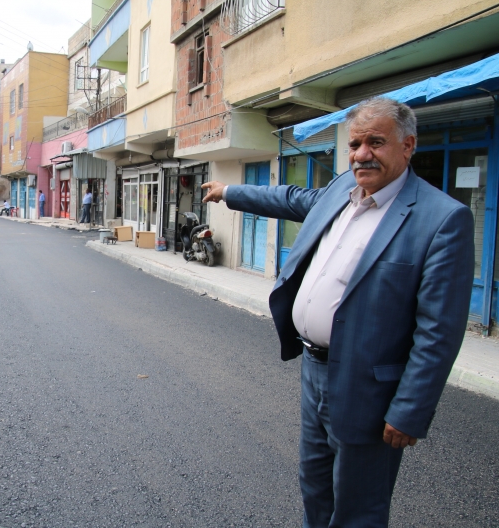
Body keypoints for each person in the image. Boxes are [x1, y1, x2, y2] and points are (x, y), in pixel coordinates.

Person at [202, 97, 474, 527]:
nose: (362, 154)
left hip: (371, 389)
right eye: (355, 144)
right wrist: (229, 192)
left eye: (376, 143)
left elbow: (438, 332)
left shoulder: (443, 220)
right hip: (314, 371)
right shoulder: (340, 191)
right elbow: (290, 197)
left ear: (408, 146)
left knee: (358, 506)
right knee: (314, 486)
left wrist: (410, 410)